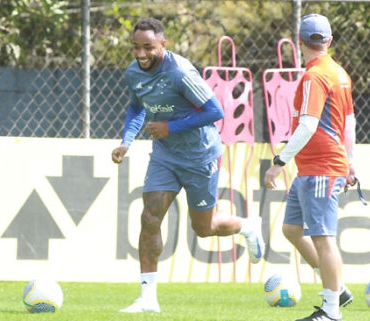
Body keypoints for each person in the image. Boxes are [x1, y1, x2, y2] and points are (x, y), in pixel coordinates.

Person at [112, 18, 264, 313]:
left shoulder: (180, 72)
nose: (140, 54)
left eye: (148, 47)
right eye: (135, 47)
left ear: (163, 45)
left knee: (204, 229)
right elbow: (136, 106)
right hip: (165, 157)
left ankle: (247, 226)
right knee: (150, 218)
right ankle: (148, 299)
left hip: (200, 156)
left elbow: (215, 111)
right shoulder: (134, 73)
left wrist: (171, 127)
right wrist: (126, 141)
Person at [264, 14, 357, 321]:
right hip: (316, 167)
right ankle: (338, 289)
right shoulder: (338, 72)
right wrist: (351, 160)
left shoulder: (315, 76)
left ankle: (331, 311)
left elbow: (307, 125)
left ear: (298, 43)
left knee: (323, 237)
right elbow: (350, 121)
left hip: (321, 167)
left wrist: (279, 162)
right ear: (329, 41)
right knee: (291, 229)